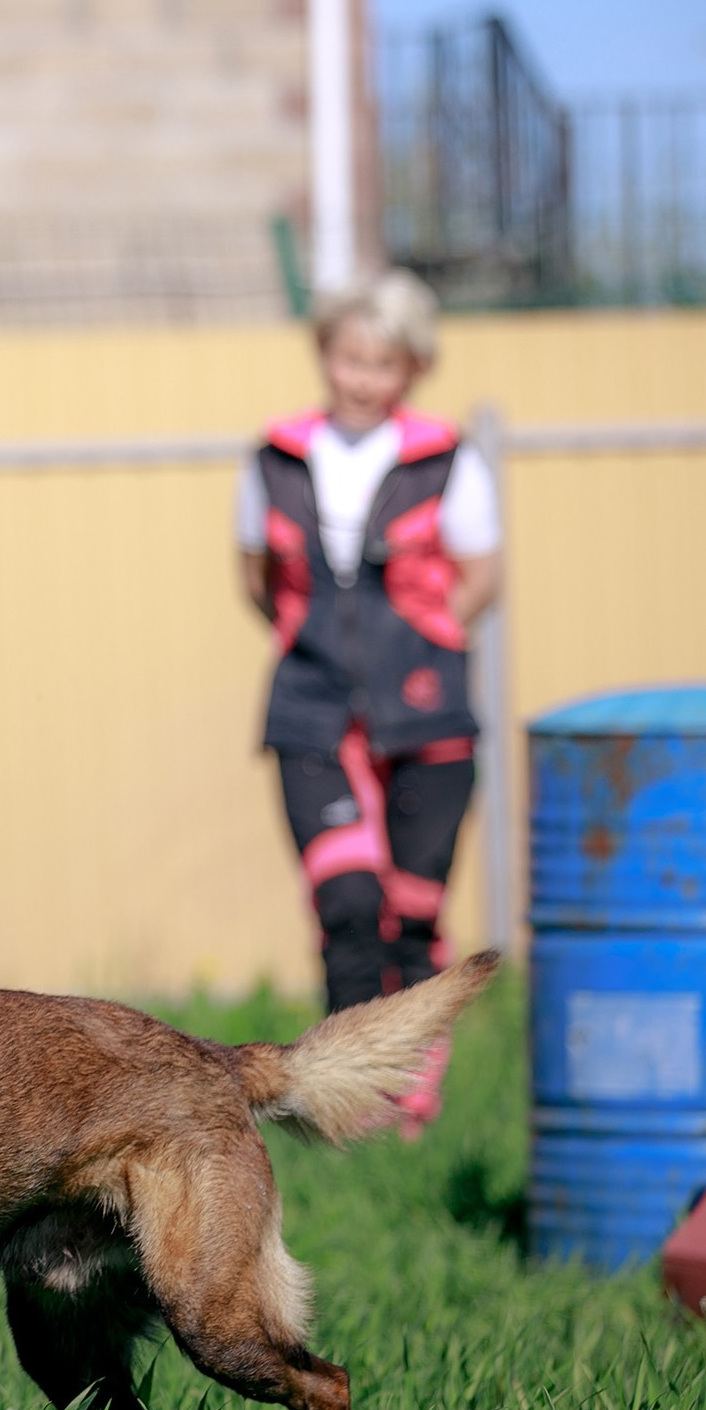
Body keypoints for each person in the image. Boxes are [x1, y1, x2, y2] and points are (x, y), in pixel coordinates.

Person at [234, 269, 499, 1136]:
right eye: (351, 357)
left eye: (384, 362)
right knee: (347, 904)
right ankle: (345, 1110)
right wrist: (325, 654)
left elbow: (481, 575)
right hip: (311, 711)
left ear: (412, 368)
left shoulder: (447, 457)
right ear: (326, 354)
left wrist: (412, 651)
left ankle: (411, 1100)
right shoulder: (275, 456)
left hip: (428, 718)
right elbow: (256, 578)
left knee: (411, 916)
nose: (363, 377)